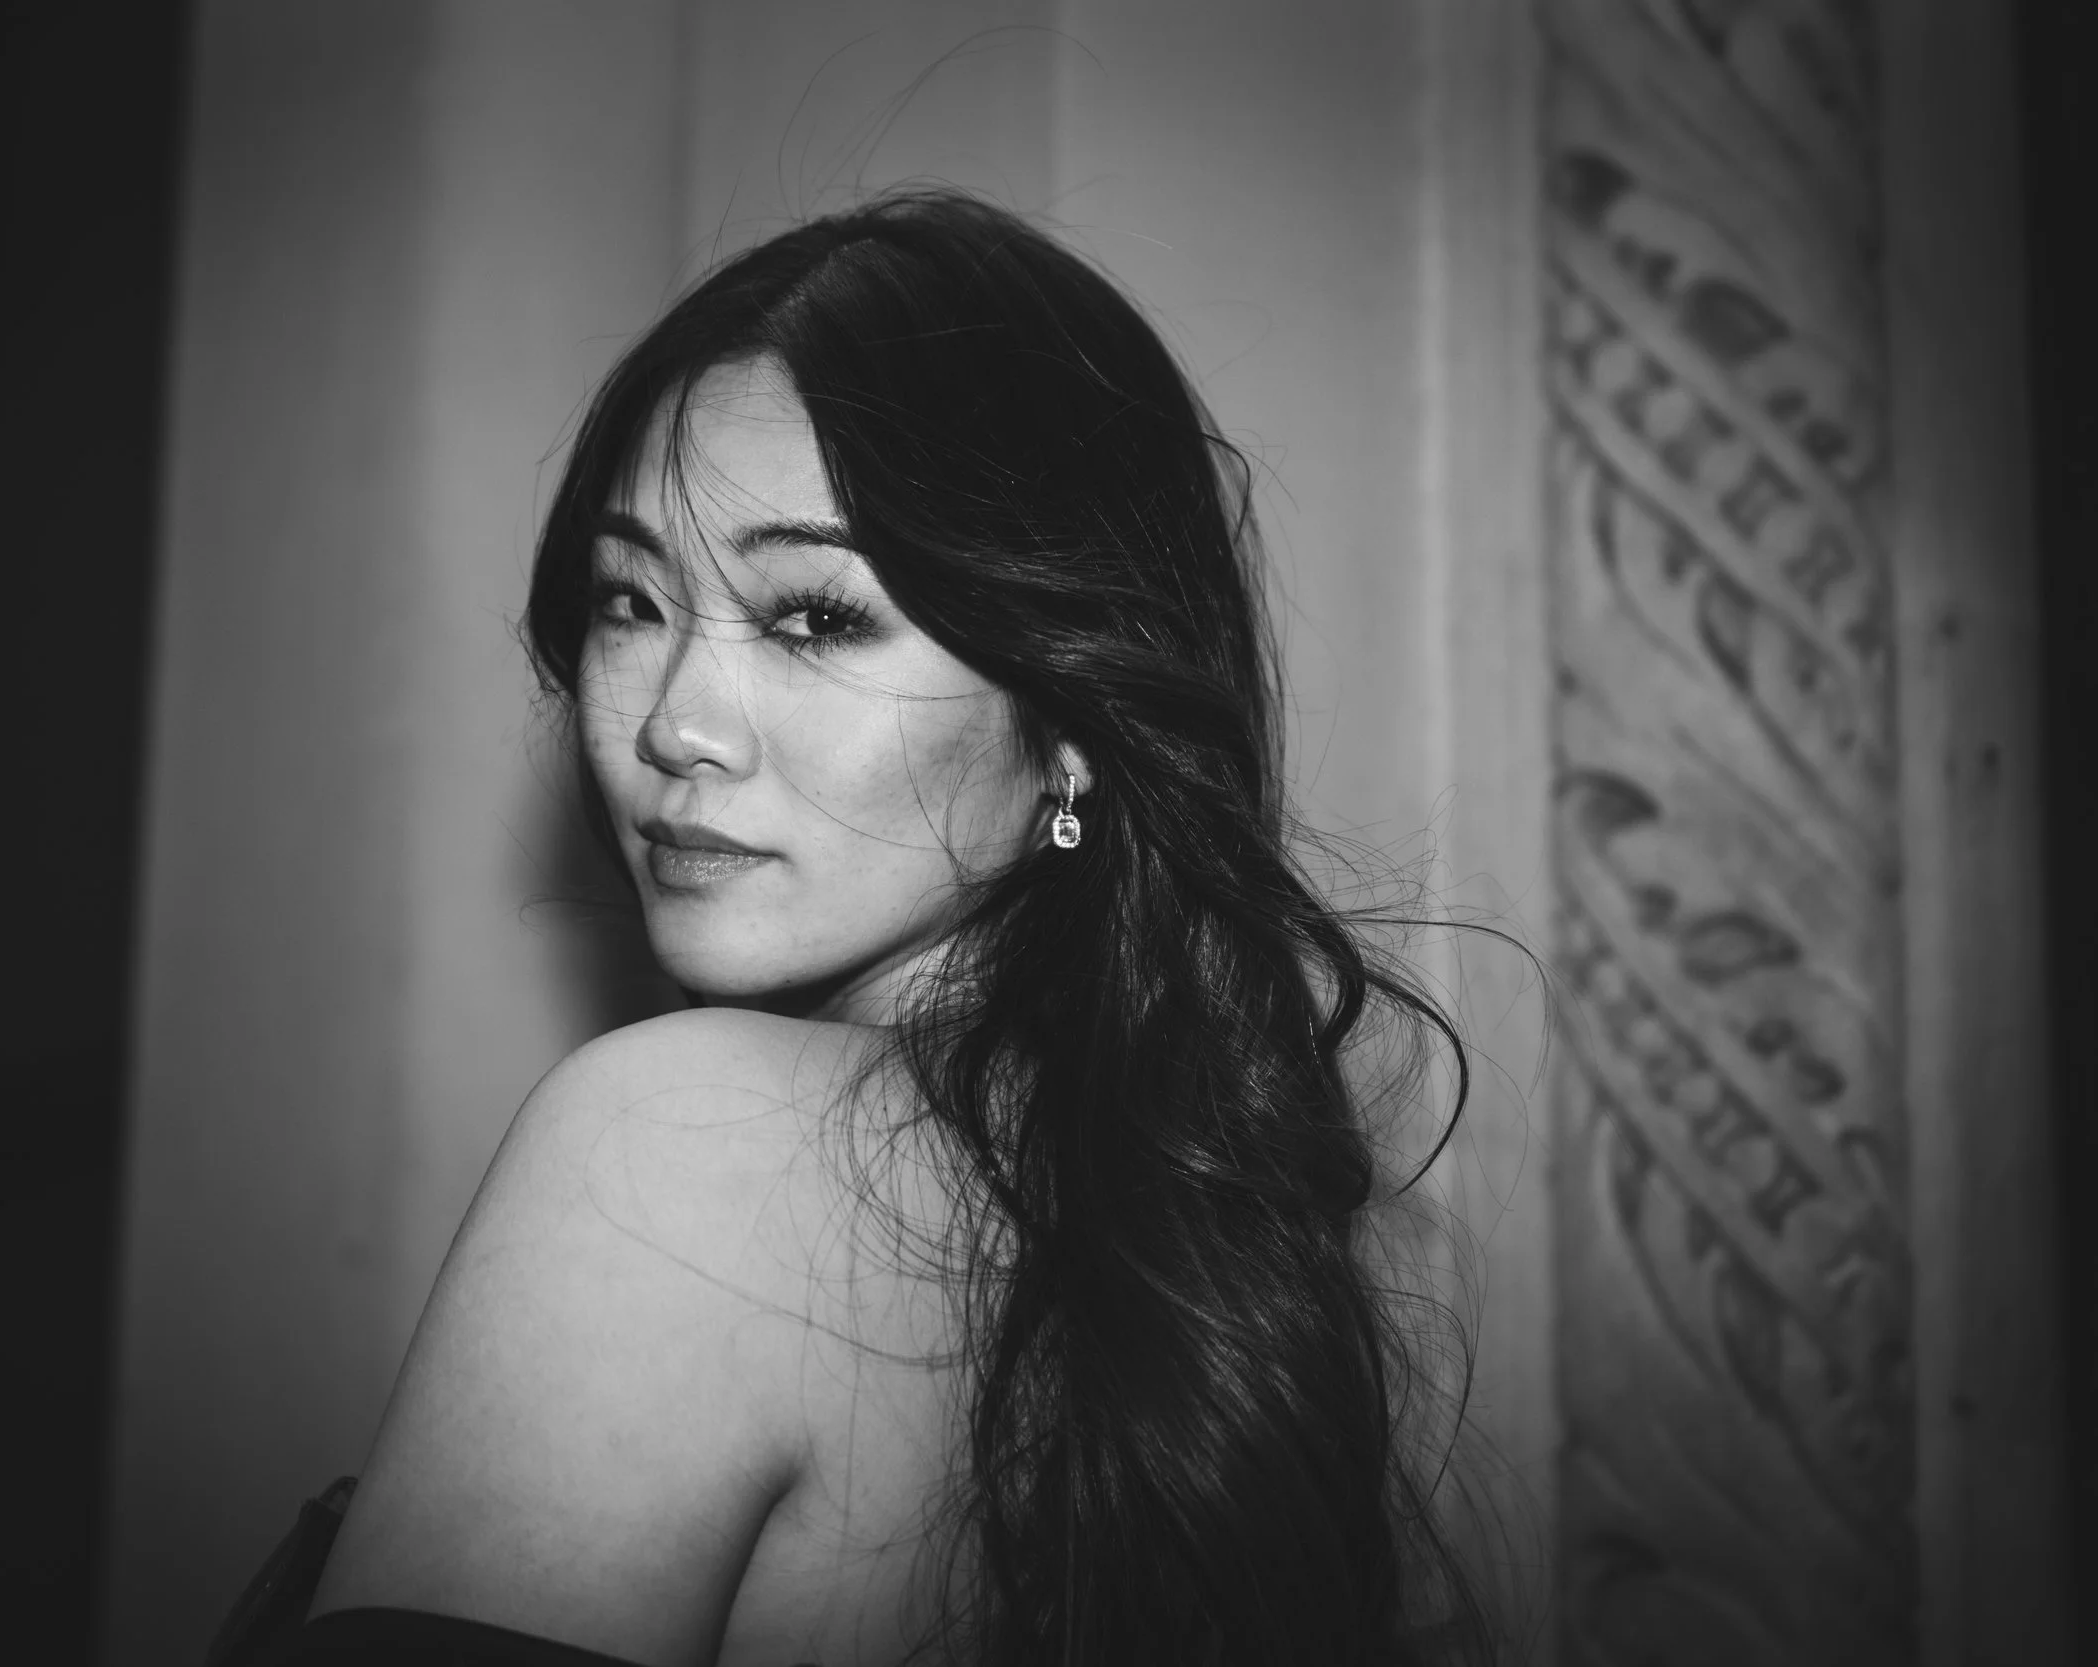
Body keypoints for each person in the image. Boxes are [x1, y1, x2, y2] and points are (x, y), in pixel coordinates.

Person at [222, 189, 1486, 1667]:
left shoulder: (678, 1145)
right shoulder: (1219, 1264)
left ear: (1074, 715)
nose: (674, 721)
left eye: (815, 616)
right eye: (631, 597)